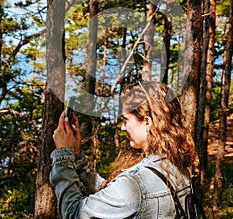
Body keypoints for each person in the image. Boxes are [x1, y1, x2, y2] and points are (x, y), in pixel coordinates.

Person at [50, 81, 199, 218]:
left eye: (126, 120)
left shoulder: (137, 183)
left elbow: (73, 213)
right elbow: (112, 196)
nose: (122, 127)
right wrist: (76, 155)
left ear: (146, 122)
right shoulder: (174, 166)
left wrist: (63, 154)